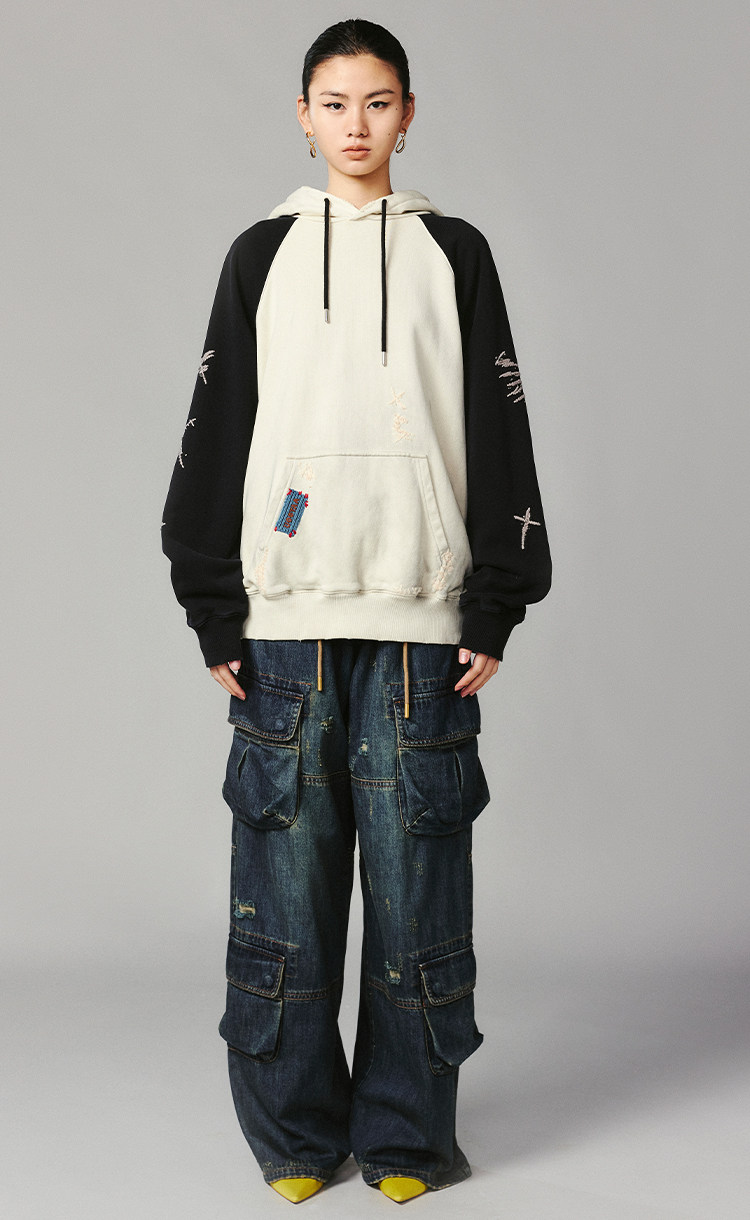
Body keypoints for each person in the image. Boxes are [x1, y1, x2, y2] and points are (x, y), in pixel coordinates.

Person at [161, 16, 552, 1206]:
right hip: (285, 620)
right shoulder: (262, 253)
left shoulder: (455, 252)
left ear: (409, 113)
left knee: (416, 890)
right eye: (334, 103)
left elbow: (499, 428)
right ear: (302, 116)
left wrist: (495, 596)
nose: (356, 125)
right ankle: (292, 1133)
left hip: (425, 621)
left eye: (378, 102)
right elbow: (217, 423)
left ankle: (405, 1137)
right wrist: (213, 603)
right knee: (287, 888)